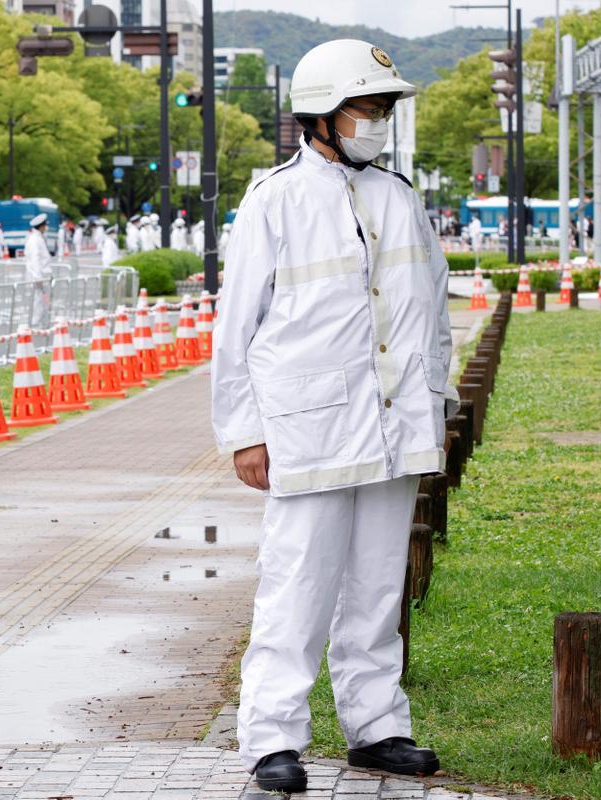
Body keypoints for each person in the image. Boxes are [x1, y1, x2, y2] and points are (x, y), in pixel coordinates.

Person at [212, 38, 453, 793]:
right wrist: (244, 432)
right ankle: (273, 736)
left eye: (384, 108)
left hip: (395, 424)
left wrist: (433, 403)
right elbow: (235, 327)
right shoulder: (274, 199)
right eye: (366, 107)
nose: (377, 122)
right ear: (321, 114)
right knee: (298, 584)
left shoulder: (400, 196)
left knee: (378, 586)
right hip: (308, 427)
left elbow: (433, 313)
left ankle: (377, 726)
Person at [24, 212, 52, 326]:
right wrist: (38, 278)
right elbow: (35, 260)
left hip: (42, 276)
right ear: (41, 226)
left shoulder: (37, 238)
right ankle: (35, 324)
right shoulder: (35, 240)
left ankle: (41, 323)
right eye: (45, 225)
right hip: (38, 277)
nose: (46, 227)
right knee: (38, 302)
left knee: (42, 302)